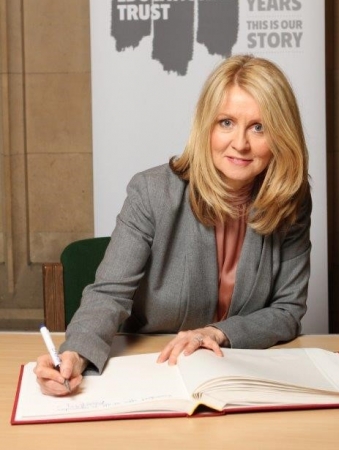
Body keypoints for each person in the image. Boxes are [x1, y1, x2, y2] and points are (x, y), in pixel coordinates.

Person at [34, 54, 311, 396]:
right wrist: (74, 354)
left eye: (259, 127)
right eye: (226, 122)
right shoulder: (151, 192)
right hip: (153, 366)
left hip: (237, 370)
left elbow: (287, 310)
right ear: (206, 125)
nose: (240, 143)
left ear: (282, 134)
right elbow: (109, 293)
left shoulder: (291, 200)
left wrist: (216, 332)